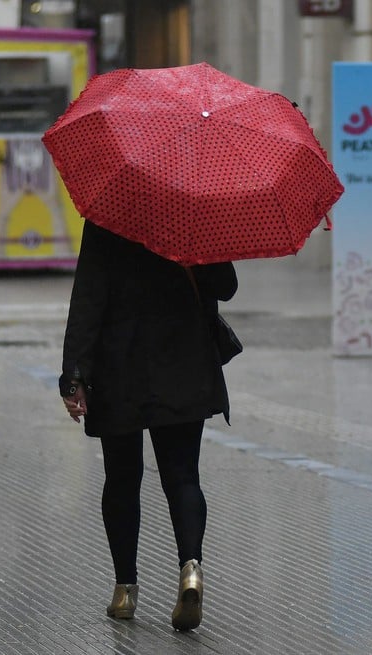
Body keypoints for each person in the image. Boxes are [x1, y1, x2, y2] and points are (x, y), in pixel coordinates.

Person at [59, 221, 236, 631]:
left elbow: (88, 296)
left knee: (121, 478)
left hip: (120, 366)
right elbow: (225, 285)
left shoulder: (109, 212)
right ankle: (190, 569)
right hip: (184, 362)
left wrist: (74, 376)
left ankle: (125, 591)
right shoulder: (196, 210)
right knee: (183, 477)